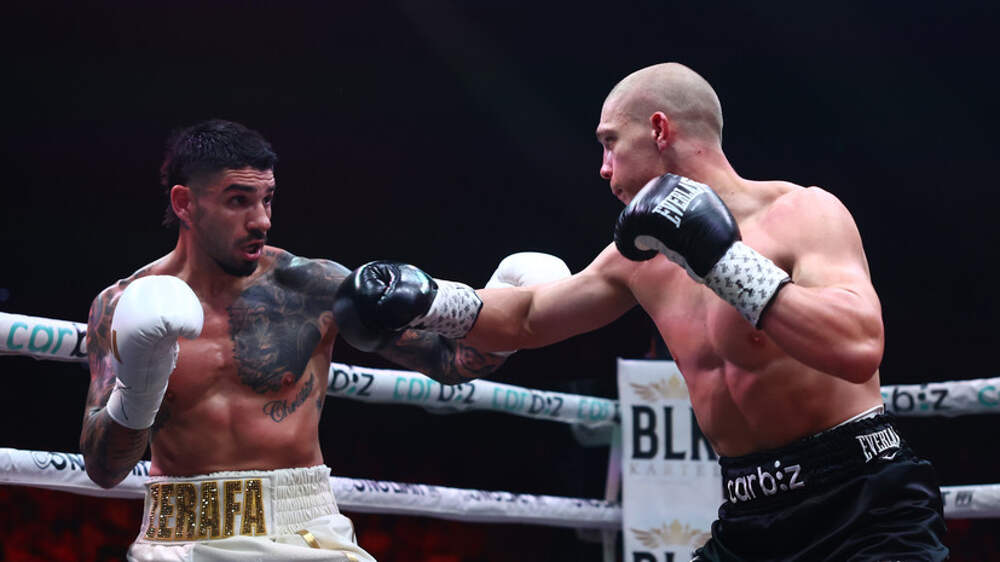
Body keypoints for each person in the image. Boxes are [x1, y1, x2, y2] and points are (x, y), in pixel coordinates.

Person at [333, 63, 949, 560]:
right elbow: (528, 317)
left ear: (659, 130)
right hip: (750, 514)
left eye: (610, 143)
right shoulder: (640, 257)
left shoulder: (803, 214)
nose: (604, 169)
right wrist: (430, 299)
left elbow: (858, 347)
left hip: (864, 505)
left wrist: (724, 260)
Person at [78, 119, 569, 561]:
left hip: (303, 527)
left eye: (267, 199)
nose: (261, 220)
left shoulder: (311, 287)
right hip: (179, 535)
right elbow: (104, 469)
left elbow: (453, 360)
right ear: (185, 203)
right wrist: (139, 388)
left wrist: (505, 303)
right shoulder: (121, 305)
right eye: (238, 201)